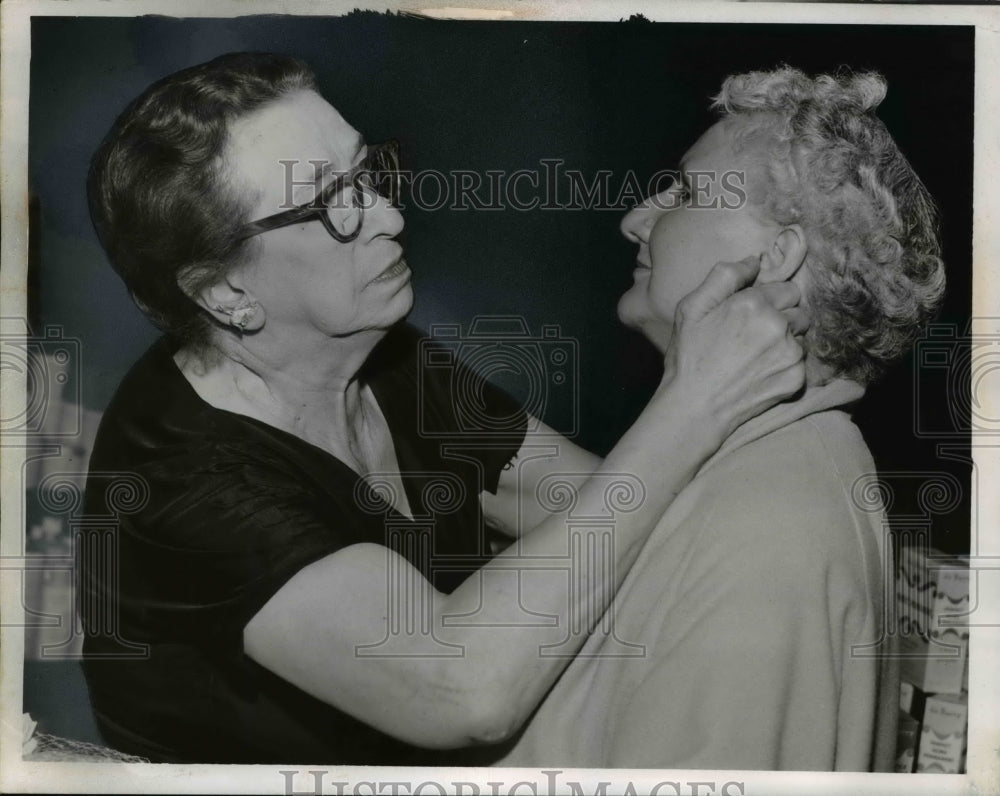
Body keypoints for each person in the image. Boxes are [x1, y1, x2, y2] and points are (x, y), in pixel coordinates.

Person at [78, 52, 807, 765]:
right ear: (224, 293)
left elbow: (605, 510)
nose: (390, 217)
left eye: (368, 173)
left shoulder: (381, 357)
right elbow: (460, 692)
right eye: (333, 205)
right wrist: (692, 402)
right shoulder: (180, 480)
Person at [501, 67, 945, 771]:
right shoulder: (772, 462)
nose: (636, 219)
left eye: (684, 192)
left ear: (776, 257)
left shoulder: (765, 517)